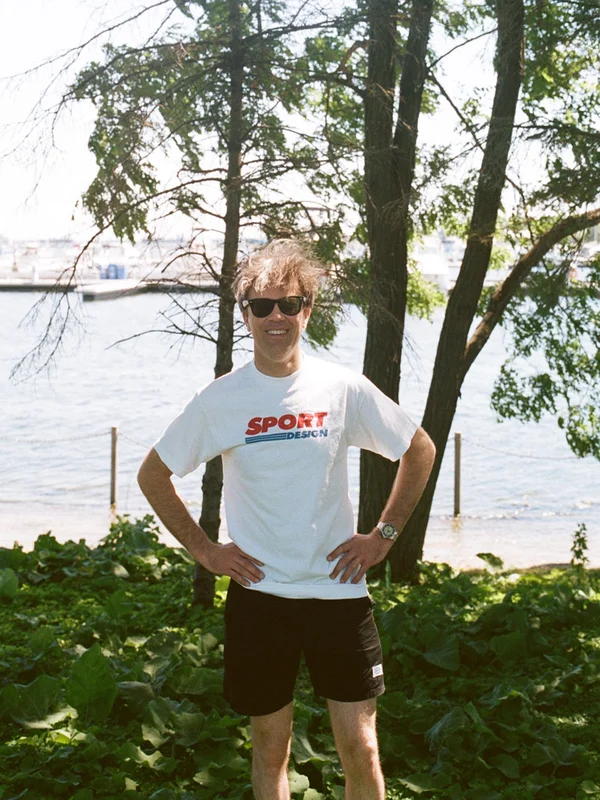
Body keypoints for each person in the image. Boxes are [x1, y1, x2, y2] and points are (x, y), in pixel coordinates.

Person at [138, 238, 436, 800]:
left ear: (309, 309)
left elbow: (417, 448)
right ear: (245, 313)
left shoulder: (340, 387)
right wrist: (206, 551)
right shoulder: (221, 399)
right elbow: (153, 475)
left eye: (290, 304)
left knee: (362, 749)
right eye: (262, 306)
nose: (276, 317)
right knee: (271, 749)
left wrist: (384, 536)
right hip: (260, 596)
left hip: (338, 593)